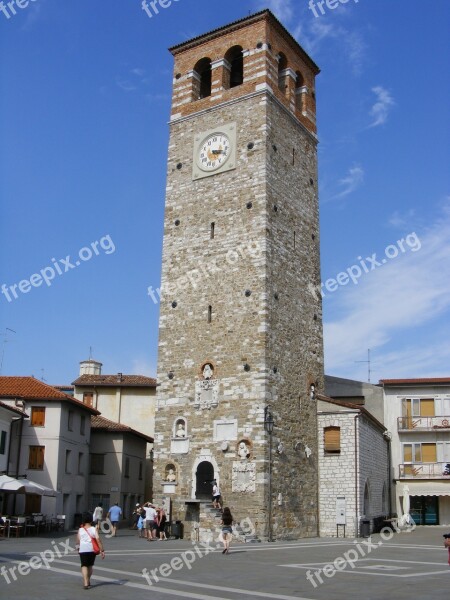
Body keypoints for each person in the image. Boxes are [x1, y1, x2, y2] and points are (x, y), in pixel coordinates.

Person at [76, 512, 105, 589]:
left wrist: (78, 548)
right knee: (90, 565)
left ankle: (85, 582)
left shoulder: (80, 529)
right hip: (92, 549)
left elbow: (78, 541)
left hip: (83, 549)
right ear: (91, 520)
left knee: (84, 565)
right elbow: (98, 540)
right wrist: (102, 550)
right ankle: (88, 580)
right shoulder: (93, 529)